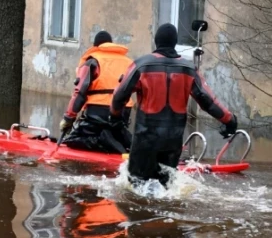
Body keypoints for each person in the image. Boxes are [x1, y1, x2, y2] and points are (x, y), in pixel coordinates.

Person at [110, 23, 237, 185]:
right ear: (174, 42)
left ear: (157, 42)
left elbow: (119, 96)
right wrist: (229, 120)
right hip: (173, 142)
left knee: (137, 188)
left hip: (146, 140)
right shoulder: (189, 69)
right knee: (166, 190)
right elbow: (208, 101)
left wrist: (114, 118)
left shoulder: (142, 65)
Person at [59, 30, 134, 154]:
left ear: (96, 46)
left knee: (74, 140)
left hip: (98, 113)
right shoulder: (129, 63)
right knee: (116, 131)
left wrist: (68, 118)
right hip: (123, 112)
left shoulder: (93, 61)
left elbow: (79, 93)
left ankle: (103, 139)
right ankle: (116, 141)